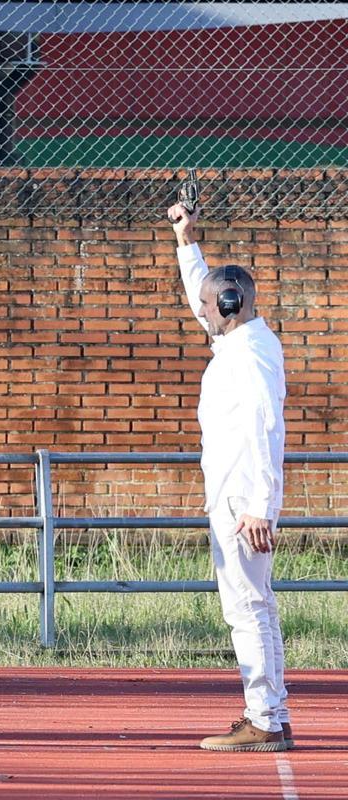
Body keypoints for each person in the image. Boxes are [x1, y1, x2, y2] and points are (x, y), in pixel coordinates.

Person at [169, 203, 291, 752]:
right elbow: (203, 294)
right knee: (251, 605)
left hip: (244, 498)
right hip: (236, 494)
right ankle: (268, 712)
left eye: (206, 307)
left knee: (247, 607)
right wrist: (186, 241)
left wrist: (260, 504)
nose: (199, 315)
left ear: (230, 305)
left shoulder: (251, 356)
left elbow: (267, 426)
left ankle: (264, 718)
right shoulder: (239, 339)